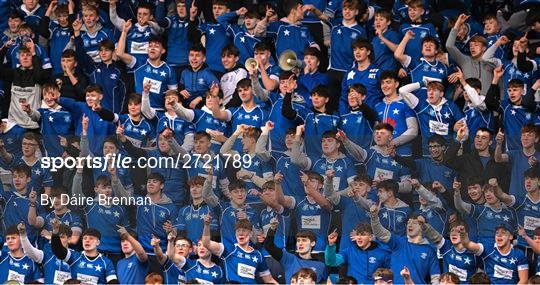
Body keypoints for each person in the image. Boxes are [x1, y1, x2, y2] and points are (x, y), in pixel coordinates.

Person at [370, 202, 440, 284]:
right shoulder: (398, 242)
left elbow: (435, 278)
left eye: (414, 223)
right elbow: (380, 233)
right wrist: (374, 217)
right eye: (408, 223)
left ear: (422, 227)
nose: (410, 225)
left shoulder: (429, 250)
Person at [201, 216, 278, 284]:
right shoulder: (229, 249)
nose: (240, 233)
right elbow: (206, 243)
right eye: (238, 231)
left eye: (244, 230)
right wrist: (207, 225)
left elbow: (269, 280)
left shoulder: (258, 255)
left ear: (251, 233)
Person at [458, 224, 529, 284]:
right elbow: (468, 244)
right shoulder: (489, 249)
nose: (499, 235)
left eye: (503, 233)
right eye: (497, 233)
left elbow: (524, 280)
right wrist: (463, 234)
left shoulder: (519, 254)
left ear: (510, 236)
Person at [264, 217, 327, 283]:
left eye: (304, 240)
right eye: (298, 241)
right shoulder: (289, 259)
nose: (300, 243)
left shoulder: (321, 265)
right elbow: (269, 246)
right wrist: (272, 229)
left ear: (312, 243)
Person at [51, 223, 118, 284]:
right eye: (84, 238)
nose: (87, 240)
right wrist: (55, 232)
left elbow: (113, 282)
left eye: (91, 238)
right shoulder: (75, 257)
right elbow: (58, 250)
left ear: (98, 242)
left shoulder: (106, 262)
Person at [325, 223, 391, 284]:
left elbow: (388, 274)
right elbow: (331, 262)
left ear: (371, 237)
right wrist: (331, 244)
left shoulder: (382, 253)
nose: (359, 238)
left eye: (363, 235)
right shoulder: (349, 251)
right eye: (357, 234)